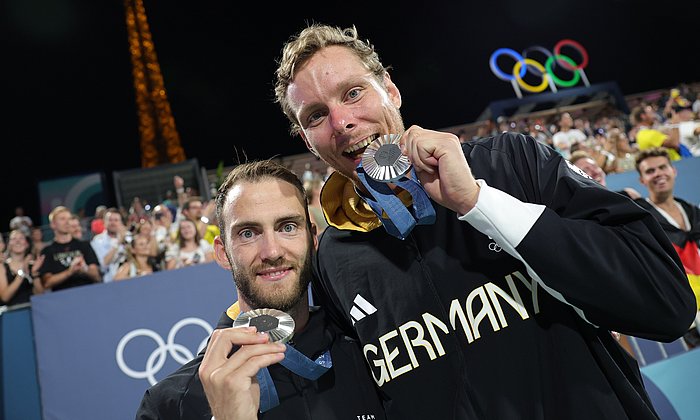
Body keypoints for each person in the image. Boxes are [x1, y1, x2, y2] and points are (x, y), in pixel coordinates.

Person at [272, 23, 696, 419]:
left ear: (391, 91)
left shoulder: (511, 163)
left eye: (353, 93)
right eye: (314, 115)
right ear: (307, 139)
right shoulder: (332, 258)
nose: (342, 122)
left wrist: (479, 202)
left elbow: (666, 303)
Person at [136, 160, 385, 419]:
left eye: (288, 227)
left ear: (312, 239)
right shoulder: (168, 405)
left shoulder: (373, 353)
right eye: (247, 234)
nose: (272, 252)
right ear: (223, 253)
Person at [633, 147, 700, 346]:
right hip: (684, 313)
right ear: (642, 180)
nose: (658, 174)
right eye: (650, 171)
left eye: (663, 167)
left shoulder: (691, 210)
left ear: (673, 170)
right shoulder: (639, 217)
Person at [39, 206, 101, 292]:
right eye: (62, 219)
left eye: (69, 219)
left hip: (87, 293)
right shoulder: (47, 251)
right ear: (53, 225)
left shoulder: (84, 245)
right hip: (62, 298)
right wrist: (70, 272)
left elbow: (97, 276)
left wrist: (84, 269)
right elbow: (47, 283)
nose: (67, 222)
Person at [0, 229, 45, 306]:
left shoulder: (33, 265)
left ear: (27, 244)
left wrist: (34, 274)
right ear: (9, 244)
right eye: (14, 239)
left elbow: (41, 295)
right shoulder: (2, 266)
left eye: (21, 238)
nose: (18, 241)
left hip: (35, 310)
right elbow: (5, 297)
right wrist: (22, 272)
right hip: (13, 312)